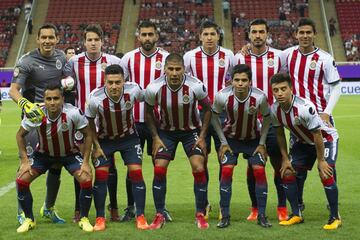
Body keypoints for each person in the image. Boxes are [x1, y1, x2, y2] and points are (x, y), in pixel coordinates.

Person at [15, 83, 94, 233]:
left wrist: (85, 162)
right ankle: (29, 220)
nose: (52, 102)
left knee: (86, 179)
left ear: (62, 99)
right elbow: (20, 135)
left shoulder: (73, 113)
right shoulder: (36, 113)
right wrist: (25, 161)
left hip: (69, 155)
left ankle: (84, 218)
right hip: (43, 156)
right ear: (43, 100)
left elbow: (88, 134)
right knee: (21, 180)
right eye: (49, 99)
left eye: (56, 98)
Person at [145, 53, 211, 229]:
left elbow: (207, 109)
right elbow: (148, 112)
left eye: (178, 69)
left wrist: (203, 137)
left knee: (198, 167)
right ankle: (160, 214)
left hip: (191, 132)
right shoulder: (154, 87)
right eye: (171, 69)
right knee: (159, 168)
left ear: (184, 69)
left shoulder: (195, 85)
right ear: (164, 69)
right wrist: (155, 138)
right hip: (166, 133)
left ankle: (200, 213)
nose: (174, 73)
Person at [9, 23, 67, 225]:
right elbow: (13, 90)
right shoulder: (27, 61)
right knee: (27, 165)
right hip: (34, 122)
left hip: (56, 120)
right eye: (44, 38)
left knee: (57, 164)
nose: (48, 41)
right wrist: (26, 104)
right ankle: (22, 212)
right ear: (38, 40)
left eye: (51, 37)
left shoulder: (61, 57)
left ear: (57, 39)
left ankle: (48, 208)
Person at [64, 24, 122, 222]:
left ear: (102, 41)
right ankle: (79, 209)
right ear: (84, 42)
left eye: (96, 39)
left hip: (106, 123)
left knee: (109, 166)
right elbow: (67, 85)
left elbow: (121, 86)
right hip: (82, 123)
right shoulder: (74, 62)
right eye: (89, 39)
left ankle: (113, 207)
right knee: (80, 166)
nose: (93, 43)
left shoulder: (113, 61)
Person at [270, 73, 341, 230]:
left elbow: (317, 135)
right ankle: (296, 214)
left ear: (291, 89)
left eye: (283, 89)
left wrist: (321, 160)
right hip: (302, 143)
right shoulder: (274, 109)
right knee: (287, 172)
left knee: (326, 173)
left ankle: (335, 217)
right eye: (276, 90)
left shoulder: (304, 108)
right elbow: (280, 134)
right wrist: (285, 159)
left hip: (326, 140)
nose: (280, 93)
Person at [283, 18, 341, 209]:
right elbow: (268, 56)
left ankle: (332, 201)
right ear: (296, 34)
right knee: (298, 168)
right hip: (298, 122)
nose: (305, 36)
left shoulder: (324, 58)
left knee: (327, 165)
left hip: (321, 120)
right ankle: (298, 203)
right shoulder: (287, 55)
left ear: (314, 34)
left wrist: (327, 112)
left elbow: (336, 86)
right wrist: (246, 48)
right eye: (302, 32)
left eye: (309, 32)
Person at [234, 19, 288, 222]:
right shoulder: (240, 57)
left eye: (261, 32)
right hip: (249, 122)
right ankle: (255, 207)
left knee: (278, 164)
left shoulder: (279, 56)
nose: (257, 35)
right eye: (254, 31)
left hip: (273, 121)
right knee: (253, 167)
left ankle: (282, 206)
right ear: (248, 34)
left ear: (267, 34)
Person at [85, 64, 149, 230]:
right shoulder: (94, 98)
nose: (114, 86)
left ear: (124, 81)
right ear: (104, 82)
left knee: (136, 172)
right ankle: (100, 218)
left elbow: (148, 100)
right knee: (101, 175)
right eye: (110, 82)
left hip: (129, 138)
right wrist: (96, 146)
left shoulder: (133, 90)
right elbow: (90, 123)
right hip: (105, 140)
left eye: (117, 82)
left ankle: (140, 216)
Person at [120, 20, 171, 222]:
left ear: (156, 36)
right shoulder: (128, 59)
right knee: (133, 168)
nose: (148, 38)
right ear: (138, 36)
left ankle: (161, 208)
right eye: (144, 34)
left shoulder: (167, 59)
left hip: (160, 123)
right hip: (133, 123)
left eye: (151, 34)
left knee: (160, 167)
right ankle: (131, 207)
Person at [183, 21, 234, 219]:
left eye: (213, 33)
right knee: (200, 161)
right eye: (206, 34)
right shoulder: (190, 57)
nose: (210, 37)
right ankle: (203, 204)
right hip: (198, 116)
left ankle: (223, 204)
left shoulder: (228, 55)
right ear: (200, 36)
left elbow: (235, 77)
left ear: (219, 36)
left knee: (225, 160)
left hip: (223, 115)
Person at [212, 64, 272, 228]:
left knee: (259, 171)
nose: (240, 83)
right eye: (236, 80)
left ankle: (261, 215)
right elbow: (214, 117)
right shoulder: (222, 96)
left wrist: (262, 143)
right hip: (231, 140)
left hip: (253, 140)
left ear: (250, 81)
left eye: (244, 80)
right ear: (231, 81)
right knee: (226, 171)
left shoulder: (260, 97)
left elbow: (267, 118)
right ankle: (225, 216)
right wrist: (223, 142)